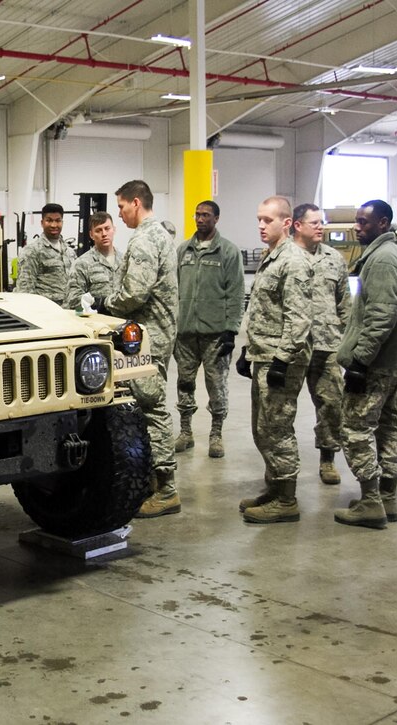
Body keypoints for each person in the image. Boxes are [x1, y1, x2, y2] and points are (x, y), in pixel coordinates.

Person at [95, 180, 179, 517]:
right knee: (149, 404)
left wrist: (105, 304)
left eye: (121, 207)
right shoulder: (161, 235)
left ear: (135, 202)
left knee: (151, 408)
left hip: (148, 338)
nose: (119, 214)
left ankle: (166, 488)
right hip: (158, 333)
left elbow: (135, 294)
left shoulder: (145, 238)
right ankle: (155, 483)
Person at [334, 200, 397, 529]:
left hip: (376, 363)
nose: (357, 227)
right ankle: (387, 497)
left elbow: (381, 317)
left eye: (364, 222)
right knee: (385, 425)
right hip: (391, 362)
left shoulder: (382, 259)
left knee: (354, 427)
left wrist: (359, 362)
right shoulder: (395, 254)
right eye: (356, 221)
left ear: (383, 223)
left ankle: (371, 501)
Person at [236, 196, 312, 524]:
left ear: (286, 222)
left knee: (277, 428)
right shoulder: (272, 256)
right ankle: (274, 486)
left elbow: (299, 319)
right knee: (262, 428)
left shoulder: (293, 261)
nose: (261, 226)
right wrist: (246, 350)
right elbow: (262, 309)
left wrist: (282, 360)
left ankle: (286, 499)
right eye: (259, 219)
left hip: (281, 359)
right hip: (263, 354)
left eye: (268, 220)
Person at [172, 201, 245, 459]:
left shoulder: (228, 252)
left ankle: (216, 435)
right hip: (186, 334)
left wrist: (231, 330)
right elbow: (174, 291)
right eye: (197, 214)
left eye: (205, 215)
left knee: (217, 386)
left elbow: (236, 293)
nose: (200, 219)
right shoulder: (183, 250)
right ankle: (185, 432)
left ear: (216, 218)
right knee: (184, 384)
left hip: (215, 335)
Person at [290, 203, 351, 485]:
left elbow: (344, 304)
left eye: (321, 222)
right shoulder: (284, 257)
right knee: (281, 408)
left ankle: (328, 458)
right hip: (292, 347)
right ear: (297, 225)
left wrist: (348, 343)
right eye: (314, 222)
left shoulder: (334, 259)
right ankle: (282, 466)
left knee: (331, 404)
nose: (320, 227)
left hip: (327, 346)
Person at [15, 203, 74, 307]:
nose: (54, 225)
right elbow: (25, 290)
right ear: (42, 223)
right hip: (45, 312)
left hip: (68, 311)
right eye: (49, 220)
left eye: (58, 220)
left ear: (62, 222)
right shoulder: (32, 251)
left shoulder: (70, 252)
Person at [65, 211, 121, 310]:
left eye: (107, 229)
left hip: (124, 322)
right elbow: (73, 300)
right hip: (96, 321)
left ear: (114, 230)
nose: (104, 234)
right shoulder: (82, 264)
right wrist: (96, 303)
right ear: (91, 235)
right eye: (98, 230)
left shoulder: (125, 261)